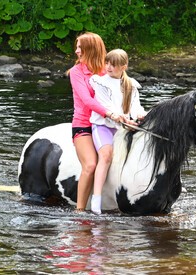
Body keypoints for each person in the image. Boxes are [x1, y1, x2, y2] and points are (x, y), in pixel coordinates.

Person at [89, 49, 147, 214]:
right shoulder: (99, 82)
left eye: (113, 65)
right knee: (106, 156)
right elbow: (106, 106)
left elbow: (136, 107)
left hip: (123, 128)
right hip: (103, 126)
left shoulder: (131, 85)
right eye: (107, 63)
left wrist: (140, 116)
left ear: (124, 67)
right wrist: (122, 118)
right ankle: (96, 198)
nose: (108, 67)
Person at [69, 32, 121, 212]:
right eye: (77, 47)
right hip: (83, 125)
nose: (76, 51)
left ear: (91, 50)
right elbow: (87, 101)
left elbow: (122, 92)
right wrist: (110, 113)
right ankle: (80, 211)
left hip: (105, 125)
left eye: (80, 48)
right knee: (90, 165)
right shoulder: (76, 73)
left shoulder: (107, 71)